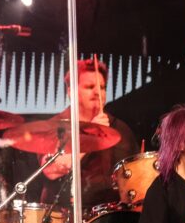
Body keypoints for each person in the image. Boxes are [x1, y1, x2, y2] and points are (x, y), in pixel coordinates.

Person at [37, 57, 138, 206]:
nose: (98, 92)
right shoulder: (54, 126)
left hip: (112, 218)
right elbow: (51, 170)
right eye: (90, 87)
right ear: (71, 91)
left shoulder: (120, 128)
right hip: (64, 216)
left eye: (102, 87)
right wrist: (90, 135)